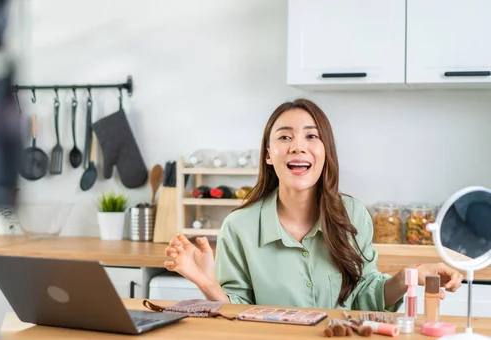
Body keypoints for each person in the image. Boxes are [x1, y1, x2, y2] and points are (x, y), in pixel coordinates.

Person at [164, 99, 463, 311]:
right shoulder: (239, 228)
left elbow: (364, 295)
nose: (298, 145)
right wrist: (208, 284)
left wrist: (410, 276)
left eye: (311, 136)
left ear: (325, 151)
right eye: (284, 137)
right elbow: (237, 312)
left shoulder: (354, 215)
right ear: (269, 155)